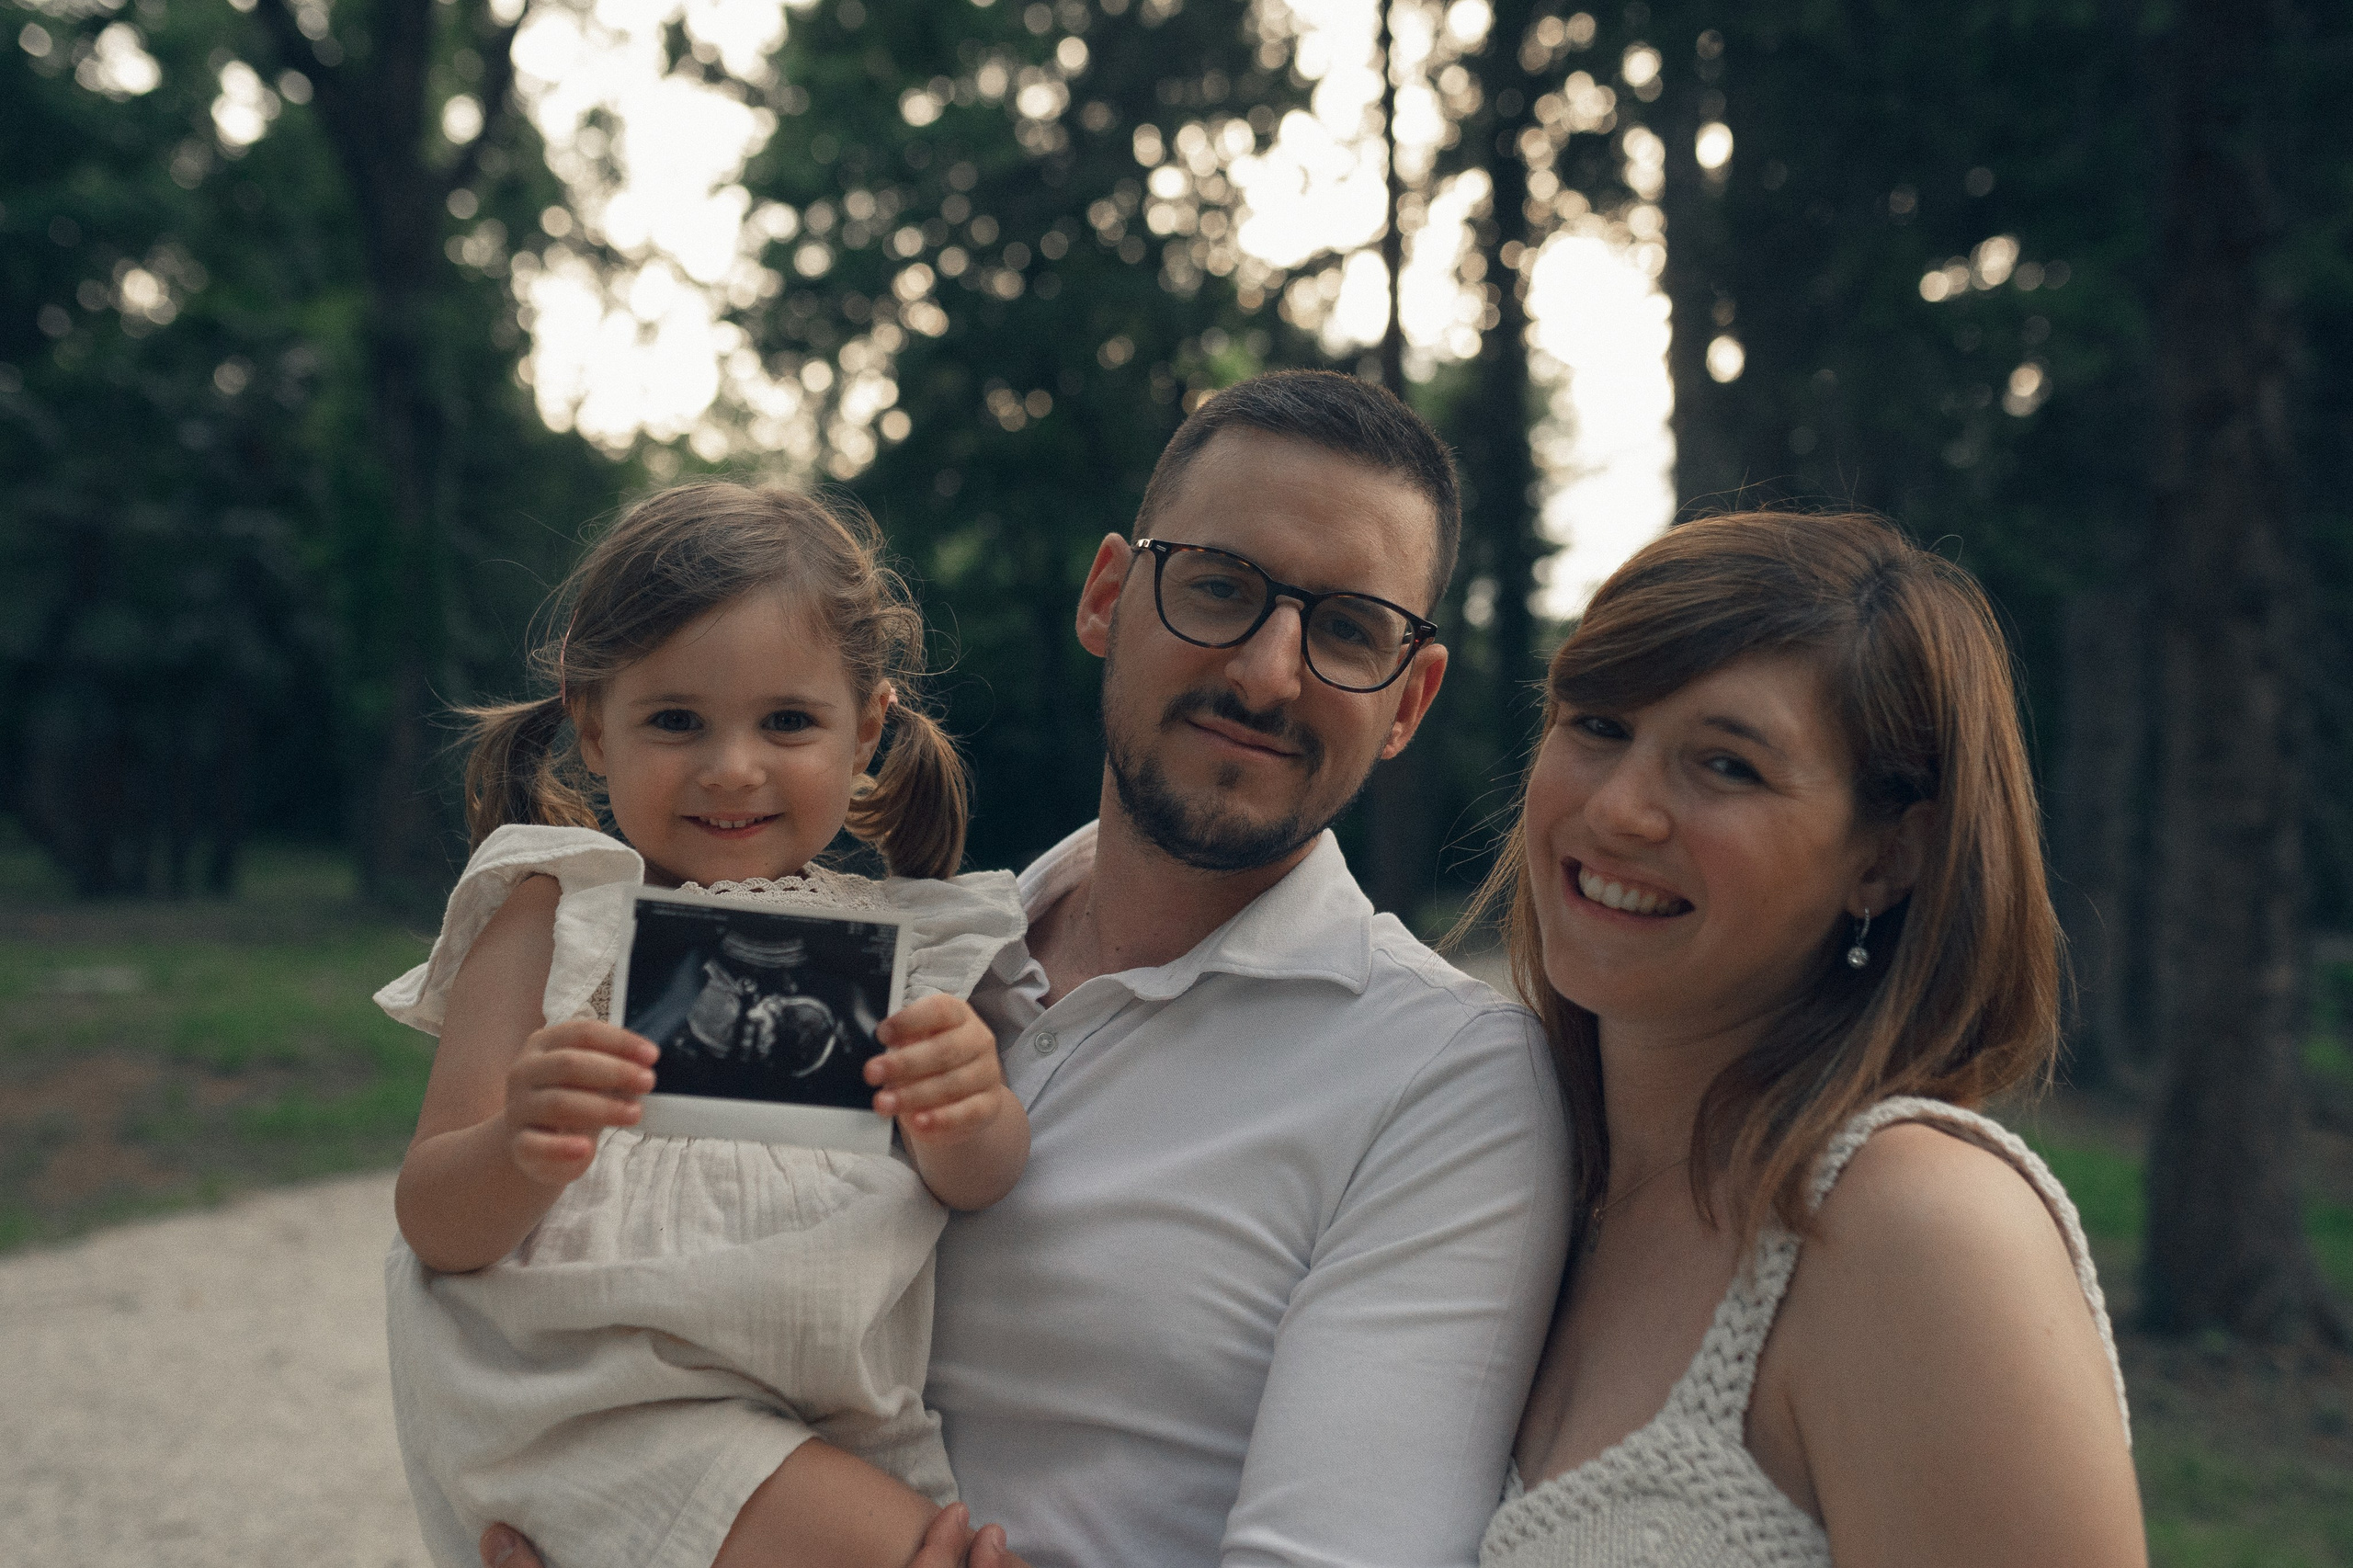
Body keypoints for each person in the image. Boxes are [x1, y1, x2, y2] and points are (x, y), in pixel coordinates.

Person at [481, 369, 1572, 1568]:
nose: (1269, 672)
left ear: (1410, 698)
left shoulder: (1446, 1078)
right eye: (1219, 586)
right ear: (1108, 597)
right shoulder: (906, 956)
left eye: (1349, 629)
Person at [380, 481, 1036, 1568]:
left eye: (788, 720)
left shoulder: (903, 948)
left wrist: (967, 1110)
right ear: (594, 723)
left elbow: (980, 1179)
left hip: (832, 1412)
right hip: (598, 1401)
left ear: (867, 729)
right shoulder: (557, 913)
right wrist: (519, 1145)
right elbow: (432, 1220)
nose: (732, 767)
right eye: (676, 719)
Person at [1473, 512, 2145, 1566]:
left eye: (1726, 765)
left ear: (1885, 858)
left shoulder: (1918, 1233)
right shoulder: (1518, 1178)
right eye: (1596, 724)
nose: (1619, 809)